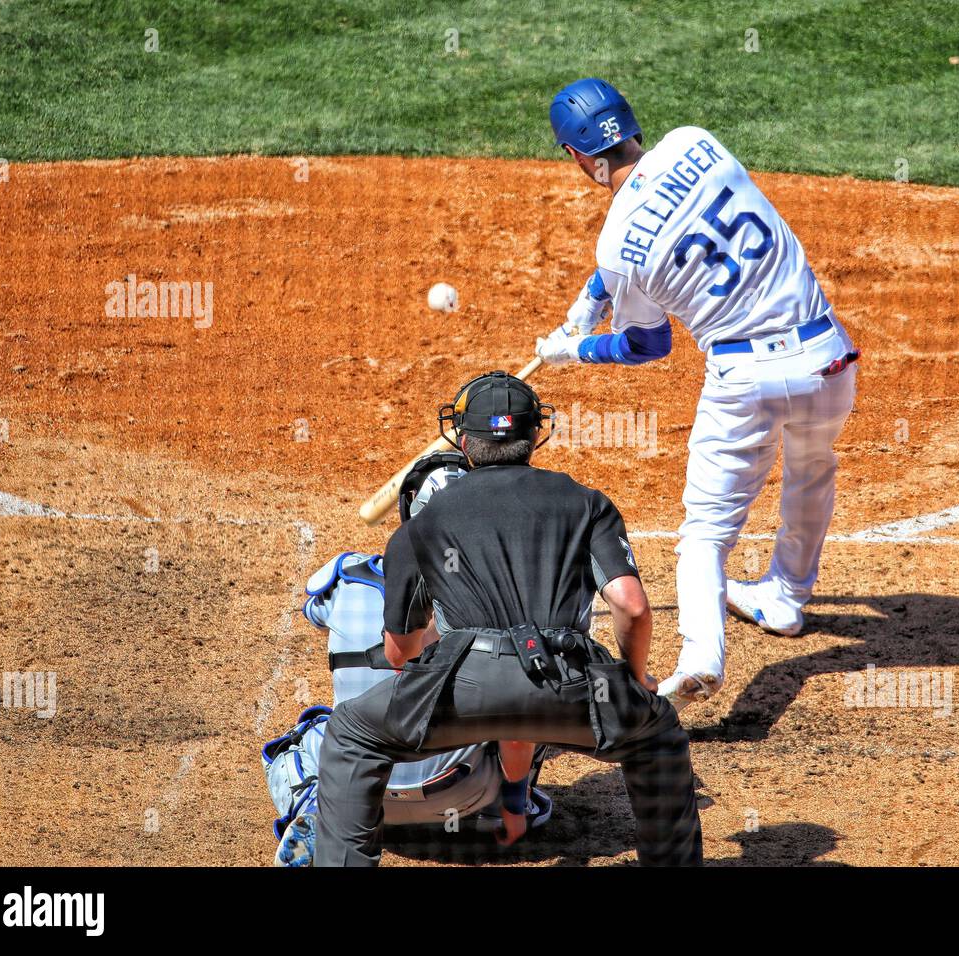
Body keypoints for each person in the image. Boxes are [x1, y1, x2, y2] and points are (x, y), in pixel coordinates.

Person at [536, 78, 859, 710]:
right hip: (827, 361)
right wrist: (593, 295)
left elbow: (646, 345)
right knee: (812, 467)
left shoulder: (618, 246)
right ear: (628, 125)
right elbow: (667, 220)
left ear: (578, 156)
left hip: (747, 385)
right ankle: (787, 597)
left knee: (705, 535)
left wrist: (570, 347)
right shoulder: (696, 143)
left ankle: (700, 656)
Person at [314, 371, 702, 866]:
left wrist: (427, 676)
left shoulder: (426, 518)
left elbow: (400, 651)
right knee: (657, 734)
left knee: (351, 734)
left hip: (462, 685)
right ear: (534, 435)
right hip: (572, 682)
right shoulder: (586, 502)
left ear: (463, 439)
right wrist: (635, 676)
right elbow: (631, 605)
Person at [262, 452, 551, 867]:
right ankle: (503, 810)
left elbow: (313, 612)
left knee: (303, 736)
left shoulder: (347, 579)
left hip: (357, 785)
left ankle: (312, 807)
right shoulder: (502, 598)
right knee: (525, 701)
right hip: (459, 787)